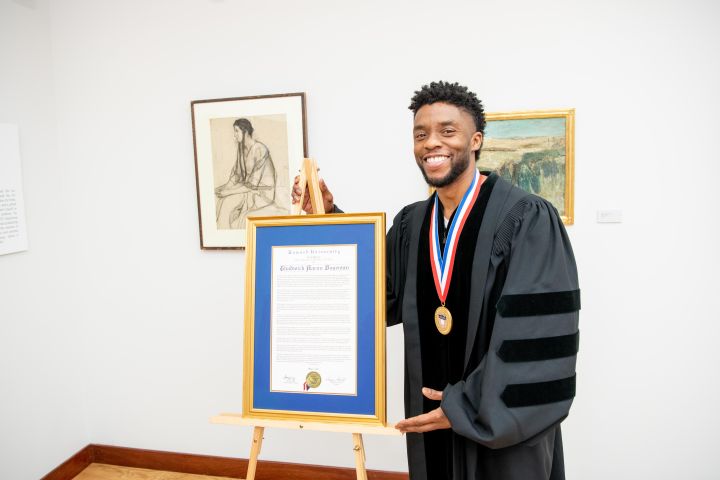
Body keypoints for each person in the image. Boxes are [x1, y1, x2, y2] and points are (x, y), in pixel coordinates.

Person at [292, 81, 580, 480]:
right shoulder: (412, 223)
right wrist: (329, 215)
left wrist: (464, 404)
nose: (432, 143)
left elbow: (537, 334)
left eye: (448, 131)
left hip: (501, 425)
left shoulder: (526, 219)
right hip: (430, 416)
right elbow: (375, 290)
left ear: (475, 140)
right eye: (421, 134)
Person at [215, 118, 278, 229]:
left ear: (245, 132)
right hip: (247, 188)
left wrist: (228, 192)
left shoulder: (260, 149)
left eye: (236, 131)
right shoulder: (241, 148)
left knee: (227, 202)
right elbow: (236, 175)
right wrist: (223, 188)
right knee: (221, 200)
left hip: (262, 192)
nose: (234, 135)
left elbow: (252, 184)